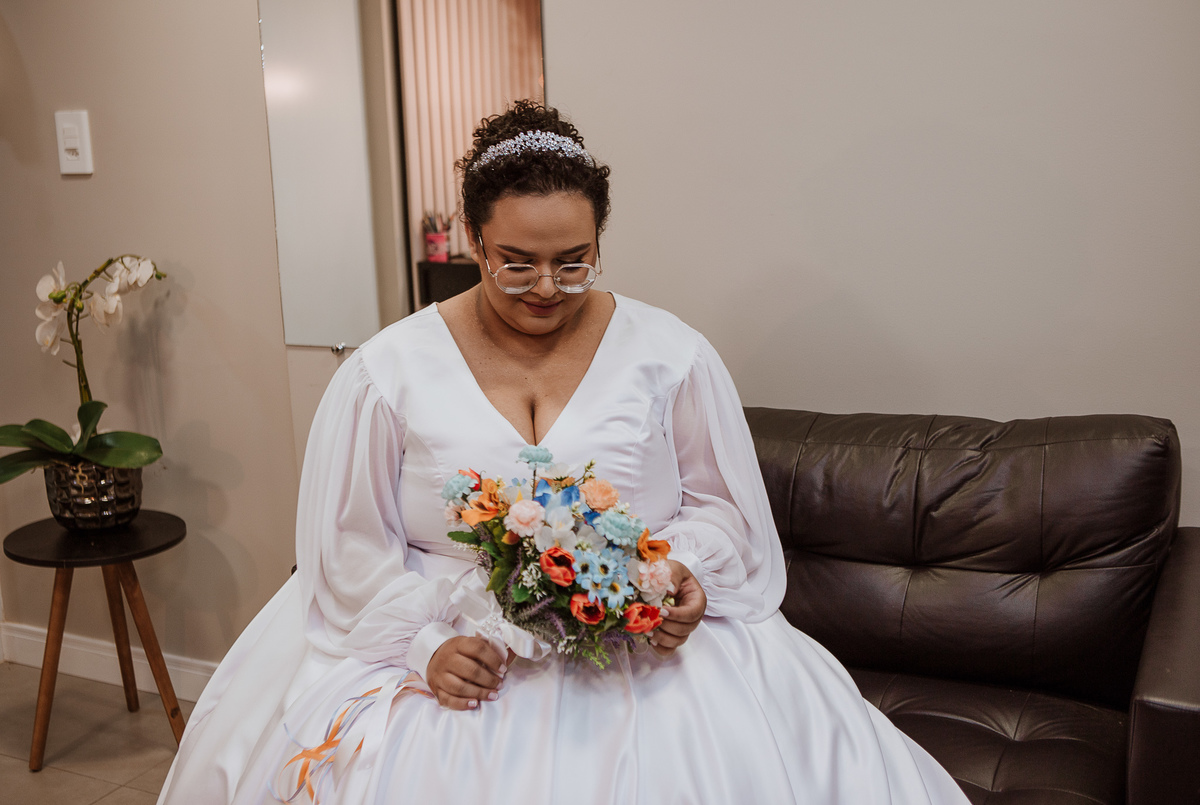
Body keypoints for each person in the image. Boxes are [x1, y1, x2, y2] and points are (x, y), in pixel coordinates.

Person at [158, 101, 968, 804]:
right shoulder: (385, 374)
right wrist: (423, 647)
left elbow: (722, 508)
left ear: (598, 240)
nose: (546, 287)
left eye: (572, 261)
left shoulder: (672, 356)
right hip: (454, 645)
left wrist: (682, 573)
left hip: (637, 640)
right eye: (517, 263)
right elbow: (349, 547)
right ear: (474, 239)